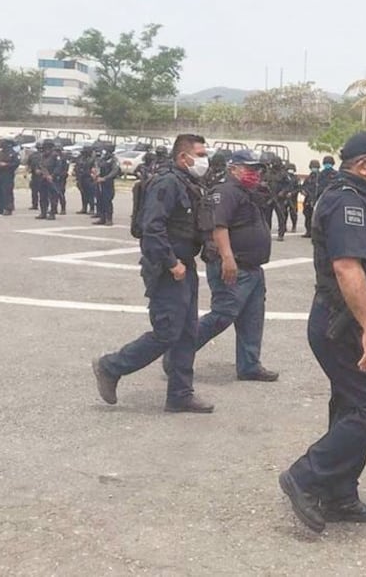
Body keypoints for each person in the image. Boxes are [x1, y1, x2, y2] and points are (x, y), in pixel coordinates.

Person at [280, 131, 366, 533]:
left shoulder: (365, 198)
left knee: (352, 407)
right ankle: (305, 475)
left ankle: (339, 493)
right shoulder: (347, 201)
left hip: (351, 322)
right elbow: (347, 267)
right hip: (345, 325)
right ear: (363, 165)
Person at [92, 134, 214, 413]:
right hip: (167, 268)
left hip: (185, 266)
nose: (204, 160)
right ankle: (110, 366)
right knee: (167, 332)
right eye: (200, 154)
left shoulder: (189, 182)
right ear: (184, 157)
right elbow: (152, 228)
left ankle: (180, 395)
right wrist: (172, 263)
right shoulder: (167, 182)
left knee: (187, 333)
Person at [194, 149, 279, 382]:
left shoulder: (248, 192)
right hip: (233, 266)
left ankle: (249, 365)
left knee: (252, 317)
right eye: (250, 169)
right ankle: (179, 353)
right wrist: (227, 259)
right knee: (222, 315)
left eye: (258, 169)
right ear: (233, 169)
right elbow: (219, 227)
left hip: (252, 267)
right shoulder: (226, 191)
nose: (256, 173)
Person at [93, 143, 120, 226]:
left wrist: (105, 178)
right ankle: (102, 217)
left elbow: (114, 171)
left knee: (107, 201)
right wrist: (95, 174)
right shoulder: (102, 158)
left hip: (108, 183)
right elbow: (98, 167)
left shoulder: (114, 160)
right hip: (99, 182)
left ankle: (109, 219)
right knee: (100, 200)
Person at [0, 138, 19, 216]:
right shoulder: (0, 153)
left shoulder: (13, 153)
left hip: (7, 175)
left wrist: (6, 165)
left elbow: (16, 163)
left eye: (4, 143)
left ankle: (8, 208)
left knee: (7, 191)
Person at [35, 140, 61, 221]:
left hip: (52, 179)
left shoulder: (55, 156)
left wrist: (52, 175)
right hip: (43, 178)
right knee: (42, 196)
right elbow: (39, 165)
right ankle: (43, 212)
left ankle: (52, 213)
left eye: (46, 148)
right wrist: (38, 170)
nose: (45, 150)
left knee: (53, 196)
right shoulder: (43, 156)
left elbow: (58, 167)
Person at [300, 159, 321, 237]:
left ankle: (315, 233)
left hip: (317, 199)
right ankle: (308, 231)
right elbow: (303, 187)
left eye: (315, 167)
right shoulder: (309, 178)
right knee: (307, 216)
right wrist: (303, 191)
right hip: (308, 200)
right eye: (312, 167)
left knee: (316, 217)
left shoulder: (320, 177)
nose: (313, 168)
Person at [74, 146, 96, 215]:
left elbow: (93, 168)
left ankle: (92, 208)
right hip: (81, 178)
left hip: (88, 178)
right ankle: (84, 208)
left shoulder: (92, 159)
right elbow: (77, 166)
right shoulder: (80, 158)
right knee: (83, 194)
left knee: (90, 194)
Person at [53, 144, 69, 215]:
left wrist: (62, 175)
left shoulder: (64, 158)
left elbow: (66, 169)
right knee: (54, 194)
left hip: (61, 178)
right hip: (55, 177)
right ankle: (54, 208)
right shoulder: (54, 158)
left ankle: (63, 209)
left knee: (61, 193)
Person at [27, 145, 43, 211]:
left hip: (42, 175)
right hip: (34, 175)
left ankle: (41, 205)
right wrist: (28, 171)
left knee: (42, 192)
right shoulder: (33, 156)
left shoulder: (44, 156)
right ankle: (35, 204)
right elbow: (29, 165)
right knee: (34, 191)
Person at [286, 162, 300, 233]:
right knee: (283, 213)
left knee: (293, 213)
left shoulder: (296, 178)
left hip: (293, 198)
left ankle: (294, 226)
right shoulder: (284, 177)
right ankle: (284, 226)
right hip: (285, 197)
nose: (290, 170)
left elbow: (298, 188)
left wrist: (292, 193)